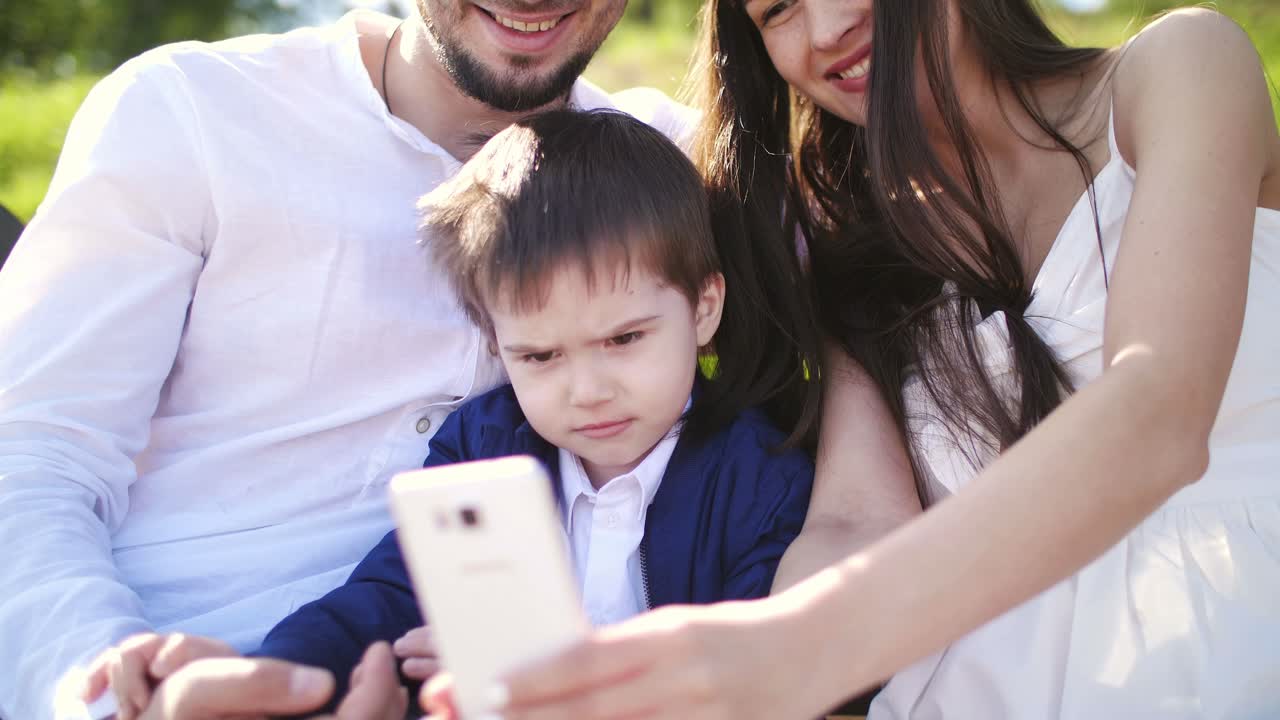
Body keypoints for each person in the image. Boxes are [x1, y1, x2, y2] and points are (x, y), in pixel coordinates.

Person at [439, 1, 1280, 718]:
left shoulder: (1174, 70)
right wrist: (689, 664)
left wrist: (800, 646)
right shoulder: (841, 236)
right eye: (778, 13)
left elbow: (1160, 407)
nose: (830, 25)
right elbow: (857, 519)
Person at [0, 1, 824, 718]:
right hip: (176, 661)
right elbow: (29, 459)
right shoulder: (189, 111)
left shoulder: (674, 167)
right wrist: (109, 686)